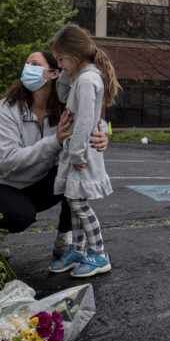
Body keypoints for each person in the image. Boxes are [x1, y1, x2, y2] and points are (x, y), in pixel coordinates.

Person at [0, 50, 108, 259]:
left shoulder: (64, 106)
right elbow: (6, 161)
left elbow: (94, 120)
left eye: (35, 63)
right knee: (21, 216)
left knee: (77, 170)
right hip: (6, 185)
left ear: (55, 74)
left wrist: (104, 136)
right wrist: (55, 141)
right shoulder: (7, 108)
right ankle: (1, 230)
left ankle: (65, 237)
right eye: (26, 63)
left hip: (39, 184)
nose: (27, 68)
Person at [48, 24, 119, 278]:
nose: (59, 64)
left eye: (62, 58)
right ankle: (78, 249)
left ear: (75, 55)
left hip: (82, 154)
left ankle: (99, 254)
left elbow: (86, 121)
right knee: (73, 199)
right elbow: (64, 93)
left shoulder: (88, 80)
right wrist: (68, 72)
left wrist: (77, 154)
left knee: (79, 203)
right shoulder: (81, 77)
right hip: (78, 153)